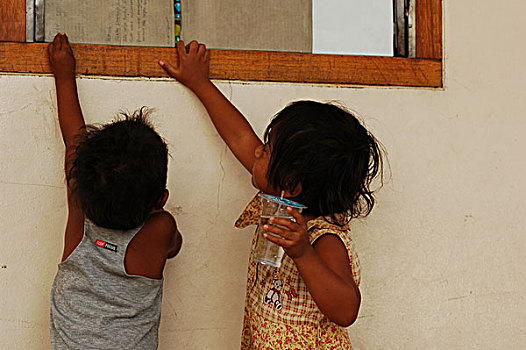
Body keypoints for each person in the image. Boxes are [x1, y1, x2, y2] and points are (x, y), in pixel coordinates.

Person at [158, 40, 384, 349]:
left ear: (292, 183)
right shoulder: (279, 196)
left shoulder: (323, 238)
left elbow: (346, 310)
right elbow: (238, 135)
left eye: (266, 150)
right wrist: (200, 82)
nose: (256, 152)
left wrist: (303, 253)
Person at [48, 33, 182, 349]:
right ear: (160, 201)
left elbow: (74, 137)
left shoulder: (79, 205)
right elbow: (174, 247)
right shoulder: (161, 229)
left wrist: (64, 74)